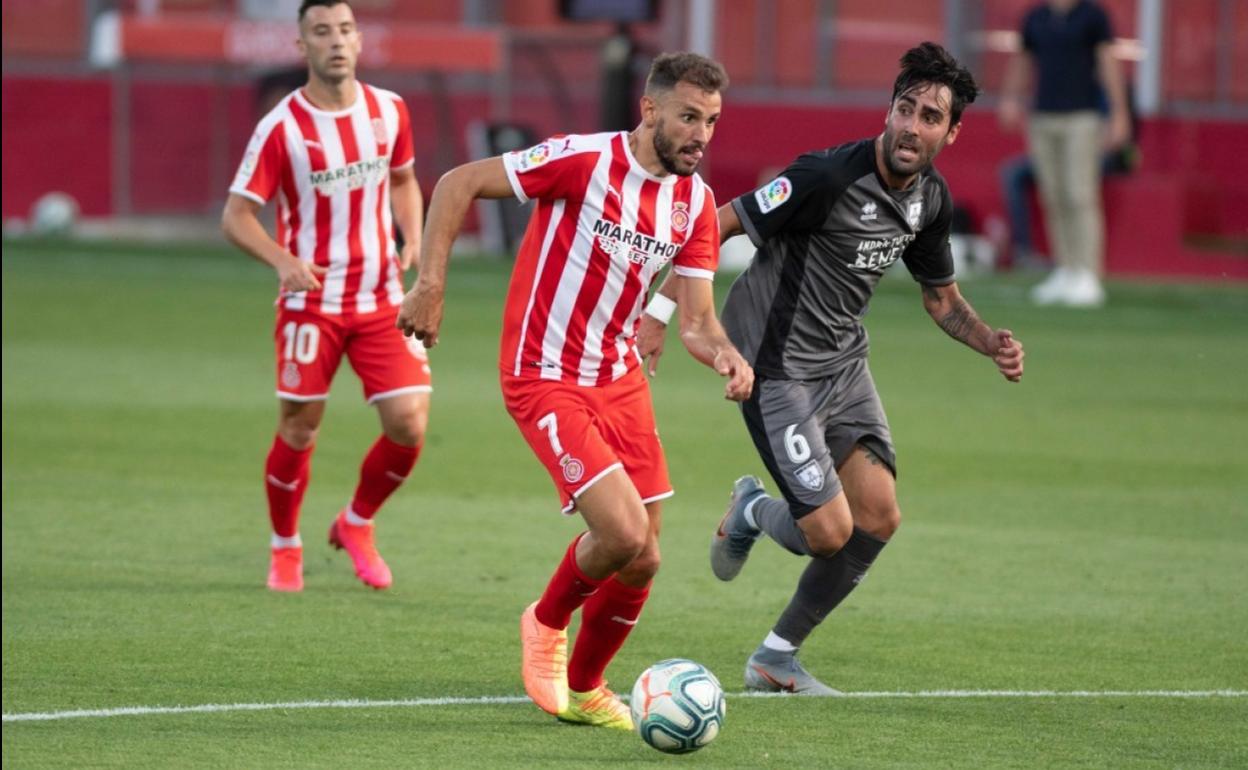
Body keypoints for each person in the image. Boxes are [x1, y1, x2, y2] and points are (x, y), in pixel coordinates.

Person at [638, 42, 1025, 694]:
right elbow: (720, 223)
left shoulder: (930, 201)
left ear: (951, 131)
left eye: (930, 116)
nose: (912, 125)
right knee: (826, 532)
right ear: (889, 109)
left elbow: (941, 298)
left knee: (878, 517)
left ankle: (775, 658)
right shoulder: (825, 177)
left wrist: (989, 342)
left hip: (843, 365)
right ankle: (755, 511)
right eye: (905, 108)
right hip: (772, 363)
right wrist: (659, 309)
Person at [395, 53, 753, 728]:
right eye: (687, 117)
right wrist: (431, 284)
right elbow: (457, 182)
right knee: (617, 532)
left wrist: (727, 355)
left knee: (644, 555)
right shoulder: (583, 161)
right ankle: (545, 621)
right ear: (650, 111)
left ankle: (587, 688)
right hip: (543, 372)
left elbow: (699, 321)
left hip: (616, 377)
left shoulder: (696, 203)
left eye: (710, 121)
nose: (700, 134)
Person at [222, 0, 430, 593]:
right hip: (312, 301)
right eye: (321, 32)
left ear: (359, 40)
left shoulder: (389, 110)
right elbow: (236, 217)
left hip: (380, 295)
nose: (335, 41)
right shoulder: (281, 127)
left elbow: (405, 179)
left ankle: (356, 523)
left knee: (409, 424)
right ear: (301, 46)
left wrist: (411, 235)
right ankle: (284, 545)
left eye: (344, 30)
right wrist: (282, 261)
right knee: (299, 428)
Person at [999, 0, 1130, 307]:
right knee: (1052, 195)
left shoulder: (1092, 16)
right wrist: (1010, 96)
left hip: (1082, 117)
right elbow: (1022, 59)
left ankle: (1088, 272)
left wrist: (1119, 113)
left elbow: (1108, 63)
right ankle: (1066, 268)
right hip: (1043, 116)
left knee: (1078, 193)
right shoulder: (1036, 17)